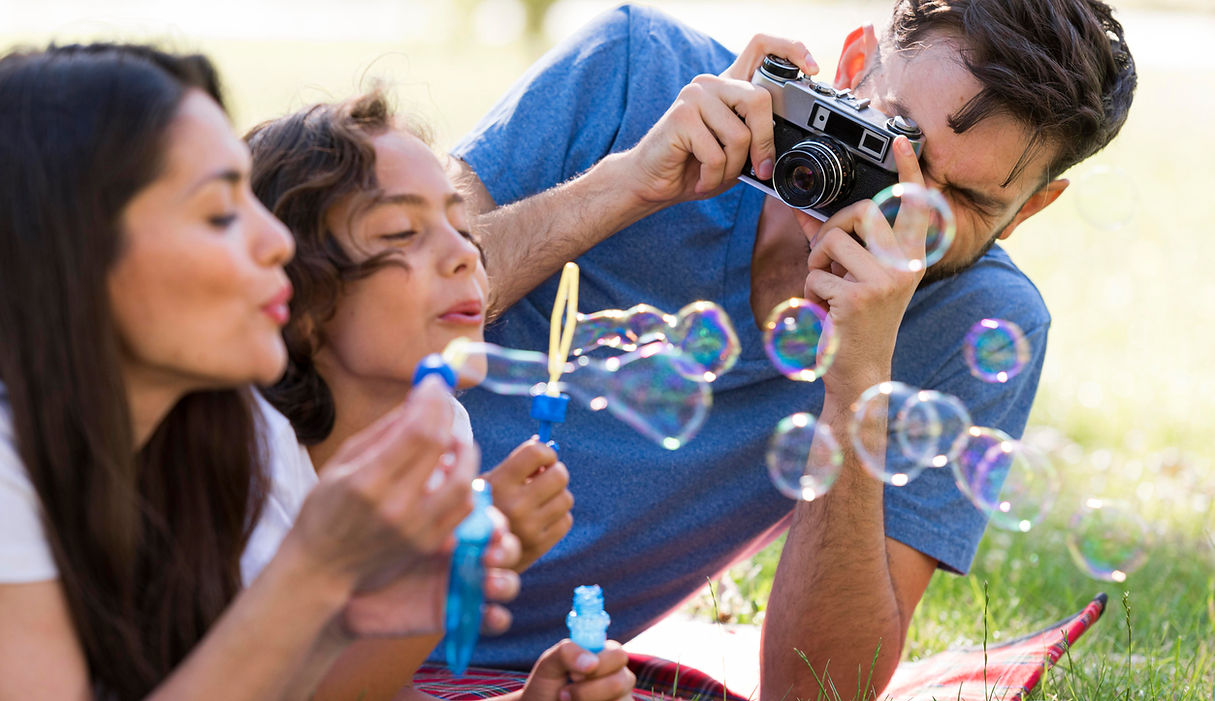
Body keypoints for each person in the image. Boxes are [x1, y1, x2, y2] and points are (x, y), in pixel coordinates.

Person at [439, 0, 1136, 698]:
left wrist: (858, 381)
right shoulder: (633, 69)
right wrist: (625, 184)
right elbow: (361, 320)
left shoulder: (979, 322)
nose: (907, 205)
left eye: (964, 200)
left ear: (1030, 209)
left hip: (515, 673)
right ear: (854, 65)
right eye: (895, 144)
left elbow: (814, 689)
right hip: (339, 554)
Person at [0, 43, 524, 700]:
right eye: (219, 213)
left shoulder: (198, 440)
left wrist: (367, 619)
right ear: (70, 251)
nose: (279, 243)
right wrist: (313, 569)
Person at [246, 93, 631, 701]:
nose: (464, 255)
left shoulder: (440, 427)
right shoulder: (252, 457)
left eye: (461, 227)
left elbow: (374, 685)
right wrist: (457, 570)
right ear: (299, 302)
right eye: (403, 232)